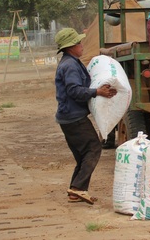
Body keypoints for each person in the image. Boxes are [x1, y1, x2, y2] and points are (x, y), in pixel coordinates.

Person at [54, 27, 117, 205]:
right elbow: (74, 91)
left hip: (68, 117)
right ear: (70, 47)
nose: (82, 45)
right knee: (94, 148)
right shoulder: (70, 65)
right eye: (78, 43)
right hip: (74, 118)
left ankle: (76, 191)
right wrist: (97, 92)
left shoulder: (71, 62)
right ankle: (77, 188)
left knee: (83, 155)